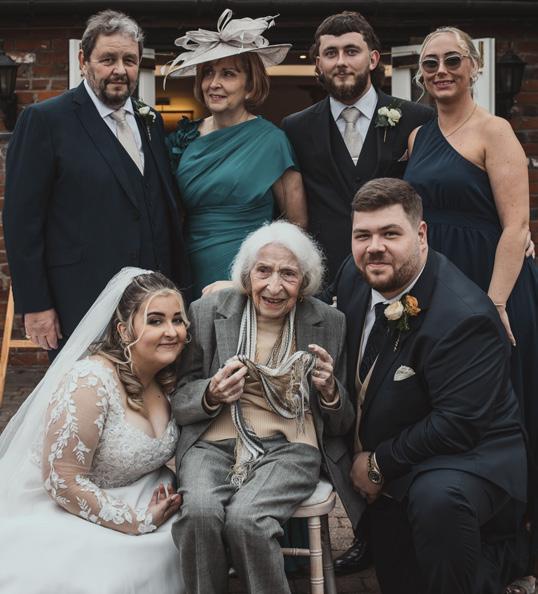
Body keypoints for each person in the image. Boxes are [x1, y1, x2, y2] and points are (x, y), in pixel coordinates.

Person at [328, 177, 527, 594]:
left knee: (439, 502)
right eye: (363, 235)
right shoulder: (354, 275)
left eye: (390, 233)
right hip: (405, 444)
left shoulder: (464, 317)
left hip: (469, 455)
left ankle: (507, 560)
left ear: (421, 235)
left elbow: (459, 423)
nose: (374, 247)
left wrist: (379, 463)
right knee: (402, 579)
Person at [404, 27, 538, 593]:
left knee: (507, 405)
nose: (441, 70)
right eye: (430, 62)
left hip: (493, 283)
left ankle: (515, 549)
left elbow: (517, 225)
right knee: (448, 403)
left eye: (452, 60)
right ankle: (458, 536)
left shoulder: (495, 130)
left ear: (473, 67)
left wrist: (495, 303)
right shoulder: (417, 136)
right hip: (438, 287)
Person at [170, 221, 360, 594]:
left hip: (292, 446)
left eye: (288, 274)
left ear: (304, 282)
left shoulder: (329, 322)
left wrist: (329, 390)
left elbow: (342, 423)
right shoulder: (207, 311)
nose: (274, 286)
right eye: (264, 271)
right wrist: (212, 393)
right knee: (199, 514)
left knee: (248, 520)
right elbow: (180, 399)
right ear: (247, 275)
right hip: (214, 442)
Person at [3, 10, 189, 357]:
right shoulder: (45, 121)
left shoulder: (150, 120)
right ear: (83, 61)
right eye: (108, 59)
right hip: (80, 300)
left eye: (129, 60)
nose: (120, 69)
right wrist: (36, 305)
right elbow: (21, 221)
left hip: (151, 303)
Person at [0, 269, 189, 593]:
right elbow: (61, 480)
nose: (171, 332)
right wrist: (136, 521)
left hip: (142, 495)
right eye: (155, 321)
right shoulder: (90, 382)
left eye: (178, 320)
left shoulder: (167, 378)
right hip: (65, 507)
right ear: (124, 330)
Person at [164, 10, 307, 298]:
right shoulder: (184, 138)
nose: (214, 83)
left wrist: (267, 279)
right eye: (208, 73)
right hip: (189, 266)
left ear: (250, 85)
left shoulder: (272, 141)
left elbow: (297, 223)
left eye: (228, 74)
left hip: (249, 274)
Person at [282, 11, 433, 284]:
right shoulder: (295, 128)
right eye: (331, 53)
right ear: (319, 64)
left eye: (351, 51)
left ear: (373, 59)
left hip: (398, 270)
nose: (341, 62)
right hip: (324, 276)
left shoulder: (416, 119)